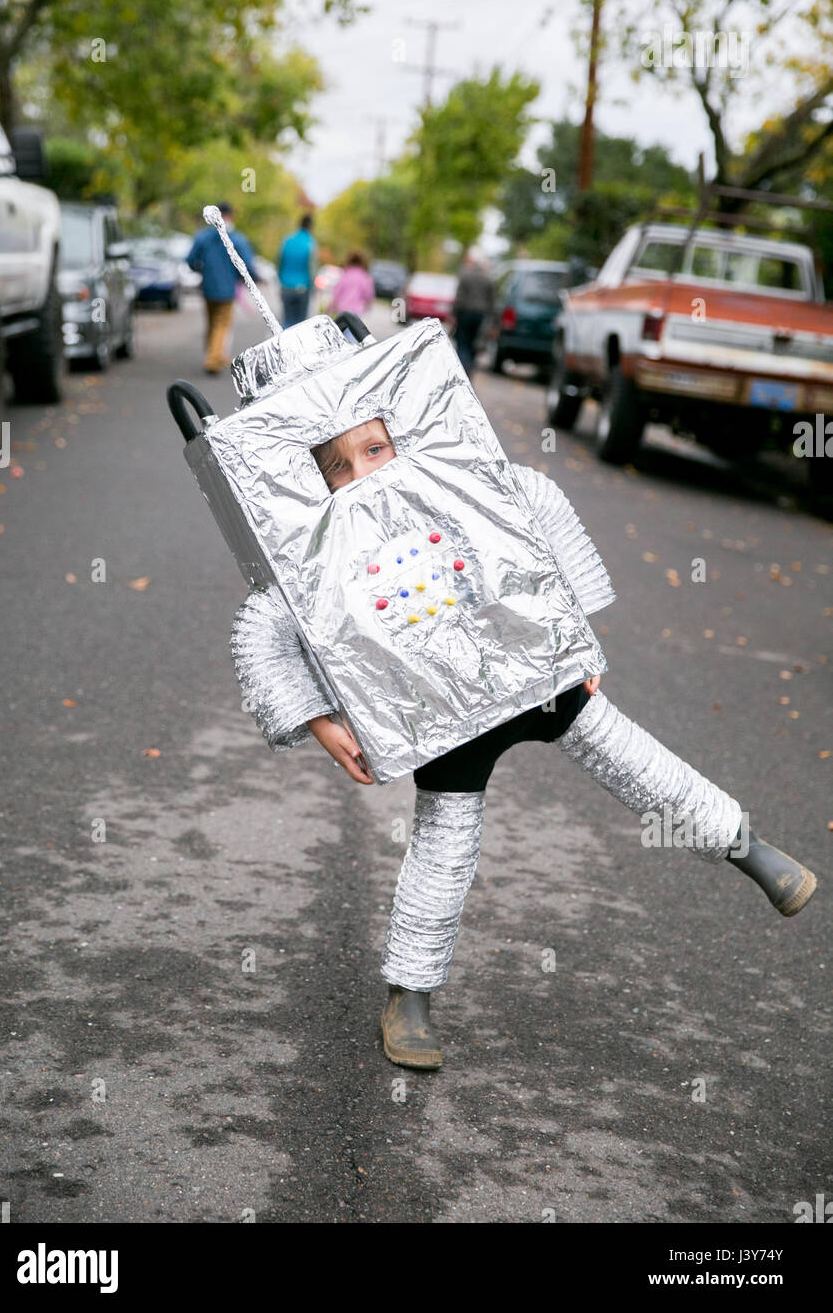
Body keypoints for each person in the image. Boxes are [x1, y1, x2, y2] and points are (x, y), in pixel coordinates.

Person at [229, 420, 818, 1072]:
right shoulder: (321, 546)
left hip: (539, 676)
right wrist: (322, 723)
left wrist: (578, 631)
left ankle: (748, 849)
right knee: (443, 850)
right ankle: (410, 997)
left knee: (638, 764)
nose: (365, 474)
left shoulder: (464, 488)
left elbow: (536, 503)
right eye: (339, 466)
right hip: (441, 716)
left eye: (375, 449)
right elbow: (266, 624)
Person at [187, 202, 258, 375]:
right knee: (222, 324)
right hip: (227, 289)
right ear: (230, 215)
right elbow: (247, 264)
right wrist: (250, 279)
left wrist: (201, 269)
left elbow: (190, 260)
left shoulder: (203, 237)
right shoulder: (237, 238)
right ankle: (213, 359)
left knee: (212, 322)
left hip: (208, 287)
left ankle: (214, 353)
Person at [452, 251, 495, 377]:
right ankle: (468, 369)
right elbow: (492, 303)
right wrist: (492, 321)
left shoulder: (465, 276)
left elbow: (459, 298)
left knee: (462, 342)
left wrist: (454, 313)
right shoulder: (489, 280)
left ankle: (461, 369)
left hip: (464, 313)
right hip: (480, 316)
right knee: (474, 343)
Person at [278, 213, 318, 328]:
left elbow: (279, 262)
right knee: (300, 325)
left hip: (286, 286)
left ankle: (285, 345)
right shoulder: (310, 242)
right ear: (310, 226)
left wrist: (281, 281)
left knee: (287, 322)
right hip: (303, 288)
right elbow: (312, 268)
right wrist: (313, 288)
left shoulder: (287, 240)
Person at [328, 251, 375, 319]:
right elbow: (368, 294)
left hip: (343, 309)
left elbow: (337, 292)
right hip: (357, 310)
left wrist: (331, 307)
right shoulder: (365, 276)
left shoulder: (345, 275)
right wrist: (368, 304)